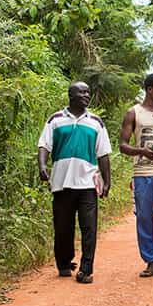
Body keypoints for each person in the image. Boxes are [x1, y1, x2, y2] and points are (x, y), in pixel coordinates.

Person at [38, 81, 112, 284]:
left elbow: (103, 153)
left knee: (89, 228)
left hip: (87, 183)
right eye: (82, 92)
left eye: (88, 92)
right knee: (63, 227)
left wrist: (107, 181)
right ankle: (63, 264)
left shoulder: (96, 122)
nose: (86, 95)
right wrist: (42, 165)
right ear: (71, 95)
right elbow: (44, 145)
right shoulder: (56, 119)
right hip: (61, 183)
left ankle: (86, 269)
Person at [118, 73, 153, 278]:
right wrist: (141, 151)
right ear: (149, 90)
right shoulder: (133, 113)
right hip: (142, 172)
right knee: (144, 217)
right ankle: (149, 260)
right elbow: (122, 145)